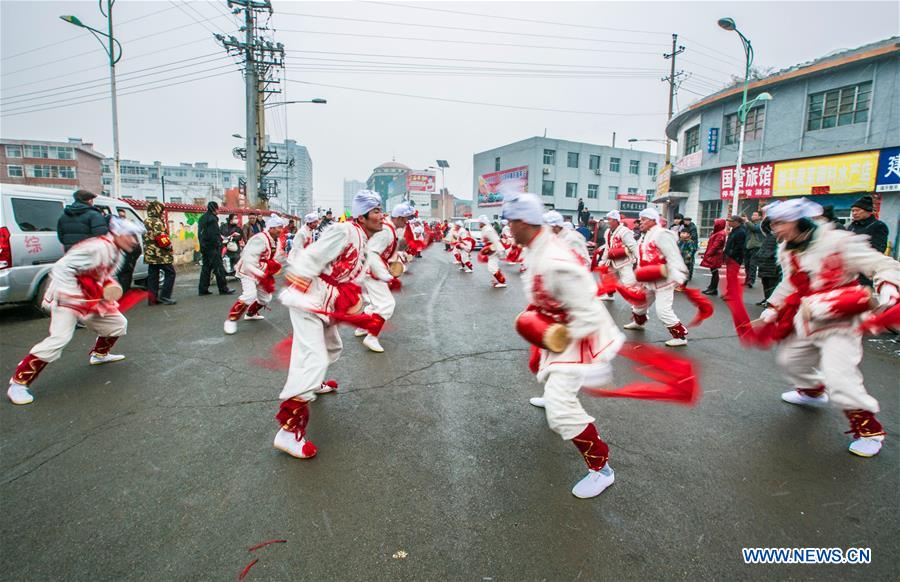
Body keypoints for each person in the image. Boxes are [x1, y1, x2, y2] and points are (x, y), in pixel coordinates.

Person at [750, 199, 899, 457]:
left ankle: (869, 430)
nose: (775, 229)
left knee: (838, 376)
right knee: (790, 360)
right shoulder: (787, 248)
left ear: (801, 221)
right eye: (773, 224)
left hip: (840, 320)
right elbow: (790, 283)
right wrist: (772, 309)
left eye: (780, 223)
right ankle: (812, 392)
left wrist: (888, 288)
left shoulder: (840, 242)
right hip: (807, 317)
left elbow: (883, 264)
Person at [505, 192, 623, 499]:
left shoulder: (555, 260)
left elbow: (586, 312)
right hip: (560, 330)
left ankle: (602, 470)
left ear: (523, 222)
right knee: (545, 375)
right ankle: (554, 393)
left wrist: (556, 338)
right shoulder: (535, 248)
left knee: (561, 411)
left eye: (510, 221)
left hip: (578, 336)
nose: (507, 228)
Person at [275, 191, 384, 459]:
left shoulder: (364, 239)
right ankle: (288, 432)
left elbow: (356, 277)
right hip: (309, 300)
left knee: (332, 349)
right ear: (363, 215)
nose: (382, 216)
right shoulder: (345, 230)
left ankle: (316, 382)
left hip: (326, 302)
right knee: (312, 360)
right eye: (377, 211)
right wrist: (300, 287)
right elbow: (312, 257)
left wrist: (357, 299)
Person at [7, 218, 144, 405]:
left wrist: (107, 287)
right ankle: (19, 383)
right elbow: (61, 268)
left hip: (89, 298)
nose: (134, 241)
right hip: (66, 298)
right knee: (59, 339)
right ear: (118, 234)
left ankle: (99, 355)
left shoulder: (115, 251)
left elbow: (102, 275)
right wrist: (74, 296)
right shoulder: (96, 247)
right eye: (131, 236)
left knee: (117, 324)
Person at [623, 207, 690, 347]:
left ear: (653, 220)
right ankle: (639, 323)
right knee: (639, 304)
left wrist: (679, 277)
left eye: (643, 220)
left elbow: (674, 256)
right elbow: (643, 257)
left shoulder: (661, 234)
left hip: (663, 280)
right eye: (640, 219)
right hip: (648, 279)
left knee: (663, 310)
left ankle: (680, 337)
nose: (640, 222)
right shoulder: (645, 235)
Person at [356, 202, 411, 352]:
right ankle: (371, 337)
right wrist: (385, 276)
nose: (407, 221)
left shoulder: (388, 228)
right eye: (406, 218)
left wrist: (398, 257)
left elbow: (380, 252)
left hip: (370, 270)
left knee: (376, 303)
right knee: (386, 304)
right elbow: (372, 253)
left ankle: (362, 327)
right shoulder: (386, 230)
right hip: (372, 271)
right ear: (399, 218)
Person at [224, 215, 286, 334]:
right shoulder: (260, 239)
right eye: (279, 227)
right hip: (248, 270)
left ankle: (250, 313)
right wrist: (259, 273)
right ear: (271, 228)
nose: (281, 230)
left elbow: (279, 257)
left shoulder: (275, 240)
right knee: (249, 295)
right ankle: (231, 320)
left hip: (262, 272)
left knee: (266, 298)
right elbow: (247, 259)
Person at [598, 210, 638, 301]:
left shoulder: (624, 231)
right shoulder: (607, 232)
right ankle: (610, 295)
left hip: (625, 260)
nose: (608, 221)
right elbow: (607, 248)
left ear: (616, 220)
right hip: (613, 260)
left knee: (628, 282)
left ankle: (637, 302)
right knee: (608, 278)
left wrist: (639, 259)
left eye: (610, 219)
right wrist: (603, 261)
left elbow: (633, 246)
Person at [143, 201, 176, 305]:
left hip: (150, 253)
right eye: (161, 210)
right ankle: (165, 296)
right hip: (160, 254)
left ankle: (152, 299)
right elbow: (161, 237)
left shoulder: (146, 221)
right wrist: (169, 246)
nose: (162, 212)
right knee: (170, 273)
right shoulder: (157, 222)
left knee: (153, 276)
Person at [198, 201, 234, 296]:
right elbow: (213, 235)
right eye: (217, 208)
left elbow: (200, 234)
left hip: (204, 247)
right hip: (212, 248)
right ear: (214, 209)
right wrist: (218, 245)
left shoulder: (202, 218)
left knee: (206, 268)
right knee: (219, 268)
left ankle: (203, 289)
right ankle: (223, 289)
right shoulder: (212, 219)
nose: (218, 210)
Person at [751, 218, 781, 306]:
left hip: (772, 265)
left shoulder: (780, 236)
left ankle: (770, 302)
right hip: (764, 264)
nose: (772, 226)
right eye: (771, 224)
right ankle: (766, 299)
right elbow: (763, 225)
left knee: (772, 285)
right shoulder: (769, 234)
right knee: (765, 284)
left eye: (774, 224)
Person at [476, 214, 508, 288]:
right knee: (493, 266)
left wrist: (500, 251)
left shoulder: (488, 230)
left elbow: (495, 240)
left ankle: (502, 281)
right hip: (493, 250)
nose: (479, 224)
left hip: (495, 249)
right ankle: (496, 280)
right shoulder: (486, 229)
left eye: (480, 223)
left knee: (492, 266)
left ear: (483, 223)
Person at [701, 218, 727, 295]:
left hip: (715, 255)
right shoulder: (719, 233)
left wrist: (708, 254)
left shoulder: (720, 234)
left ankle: (713, 288)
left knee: (714, 272)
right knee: (714, 271)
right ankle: (711, 287)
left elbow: (715, 246)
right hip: (714, 254)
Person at [723, 215, 746, 284]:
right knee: (729, 276)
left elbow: (739, 247)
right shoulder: (734, 230)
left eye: (731, 221)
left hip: (735, 258)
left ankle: (732, 293)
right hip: (730, 257)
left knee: (732, 276)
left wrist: (730, 255)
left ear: (737, 222)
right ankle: (729, 292)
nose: (729, 223)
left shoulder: (741, 232)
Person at [743, 211, 763, 288]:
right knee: (747, 264)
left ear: (760, 217)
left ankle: (751, 280)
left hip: (757, 246)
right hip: (748, 246)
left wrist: (747, 221)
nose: (753, 216)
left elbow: (755, 229)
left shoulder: (761, 224)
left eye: (755, 215)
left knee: (752, 264)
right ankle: (747, 279)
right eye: (752, 214)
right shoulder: (749, 224)